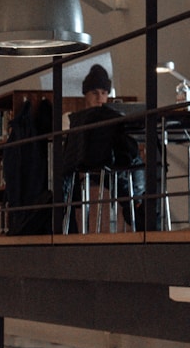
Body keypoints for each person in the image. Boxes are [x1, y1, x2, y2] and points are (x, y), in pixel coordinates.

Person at [59, 64, 145, 232]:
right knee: (131, 173)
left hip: (109, 167)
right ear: (86, 94)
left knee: (131, 172)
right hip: (83, 169)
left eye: (104, 93)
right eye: (95, 93)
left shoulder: (113, 118)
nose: (100, 97)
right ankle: (140, 214)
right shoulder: (69, 119)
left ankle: (140, 216)